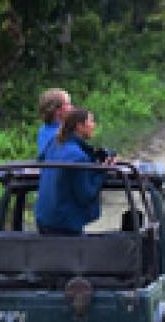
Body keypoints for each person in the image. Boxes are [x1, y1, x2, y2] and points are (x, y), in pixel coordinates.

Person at [34, 107, 114, 235]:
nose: (94, 125)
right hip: (63, 226)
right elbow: (86, 194)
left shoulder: (54, 144)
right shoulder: (78, 157)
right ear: (80, 126)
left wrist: (94, 158)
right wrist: (103, 171)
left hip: (44, 220)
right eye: (91, 121)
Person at [36, 88, 73, 159]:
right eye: (68, 104)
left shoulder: (43, 130)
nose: (72, 107)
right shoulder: (62, 134)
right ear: (57, 110)